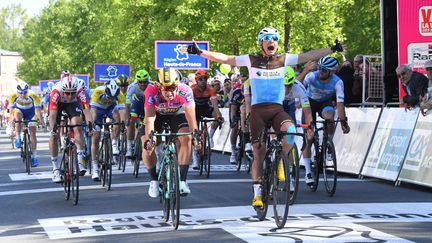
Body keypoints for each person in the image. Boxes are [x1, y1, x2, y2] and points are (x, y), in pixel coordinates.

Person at [182, 26, 344, 207]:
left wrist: (331, 49)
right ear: (261, 43)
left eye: (274, 39)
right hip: (258, 111)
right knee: (259, 153)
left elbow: (308, 55)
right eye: (267, 39)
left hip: (277, 109)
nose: (271, 42)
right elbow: (226, 58)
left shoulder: (283, 59)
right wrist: (201, 52)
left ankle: (282, 161)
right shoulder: (251, 59)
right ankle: (258, 193)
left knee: (290, 131)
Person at [142, 67, 200, 198]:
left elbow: (191, 118)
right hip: (156, 115)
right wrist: (150, 139)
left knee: (187, 138)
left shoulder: (186, 90)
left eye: (173, 87)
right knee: (147, 145)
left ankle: (182, 181)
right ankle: (153, 181)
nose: (170, 92)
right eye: (165, 88)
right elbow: (150, 119)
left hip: (176, 113)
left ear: (178, 84)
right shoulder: (151, 91)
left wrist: (196, 135)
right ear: (158, 86)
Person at [300, 56, 350, 186]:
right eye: (320, 68)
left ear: (332, 72)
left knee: (330, 117)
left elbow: (340, 104)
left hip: (324, 103)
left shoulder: (337, 82)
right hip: (309, 103)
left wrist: (344, 122)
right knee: (309, 138)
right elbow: (297, 85)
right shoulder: (312, 76)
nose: (321, 71)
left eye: (324, 70)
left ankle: (328, 144)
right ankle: (308, 172)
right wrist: (305, 71)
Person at [49, 75, 93, 182]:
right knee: (53, 135)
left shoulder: (80, 92)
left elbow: (87, 112)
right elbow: (53, 115)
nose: (70, 95)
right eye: (67, 93)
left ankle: (79, 161)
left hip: (73, 105)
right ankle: (55, 169)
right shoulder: (56, 92)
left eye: (73, 93)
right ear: (63, 90)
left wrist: (90, 126)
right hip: (58, 105)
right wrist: (53, 130)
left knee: (77, 124)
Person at [89, 80, 123, 180]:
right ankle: (95, 168)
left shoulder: (120, 94)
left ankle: (114, 142)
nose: (111, 99)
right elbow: (93, 111)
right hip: (98, 109)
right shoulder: (97, 91)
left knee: (117, 118)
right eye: (109, 97)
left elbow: (123, 111)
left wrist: (123, 124)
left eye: (113, 98)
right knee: (95, 138)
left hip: (110, 109)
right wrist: (94, 124)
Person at [190, 69, 223, 170]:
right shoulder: (192, 89)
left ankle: (211, 137)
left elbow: (215, 105)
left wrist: (218, 116)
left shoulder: (211, 89)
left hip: (205, 108)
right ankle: (195, 158)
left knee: (219, 115)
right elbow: (188, 107)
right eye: (200, 79)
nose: (203, 81)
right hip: (194, 109)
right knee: (193, 130)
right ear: (196, 80)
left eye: (205, 79)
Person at [8, 82, 44, 167]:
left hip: (31, 112)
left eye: (24, 92)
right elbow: (11, 112)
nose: (23, 95)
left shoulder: (33, 95)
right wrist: (11, 122)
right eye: (20, 93)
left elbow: (38, 111)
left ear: (27, 91)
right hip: (19, 111)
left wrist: (41, 121)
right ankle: (18, 137)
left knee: (32, 133)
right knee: (17, 117)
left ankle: (34, 156)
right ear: (17, 92)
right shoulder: (13, 96)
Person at [125, 69, 151, 157]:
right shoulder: (132, 87)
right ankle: (129, 147)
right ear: (137, 82)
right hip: (137, 102)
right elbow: (128, 104)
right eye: (141, 82)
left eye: (145, 82)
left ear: (148, 81)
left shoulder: (152, 85)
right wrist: (127, 117)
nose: (143, 84)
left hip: (149, 102)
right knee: (131, 121)